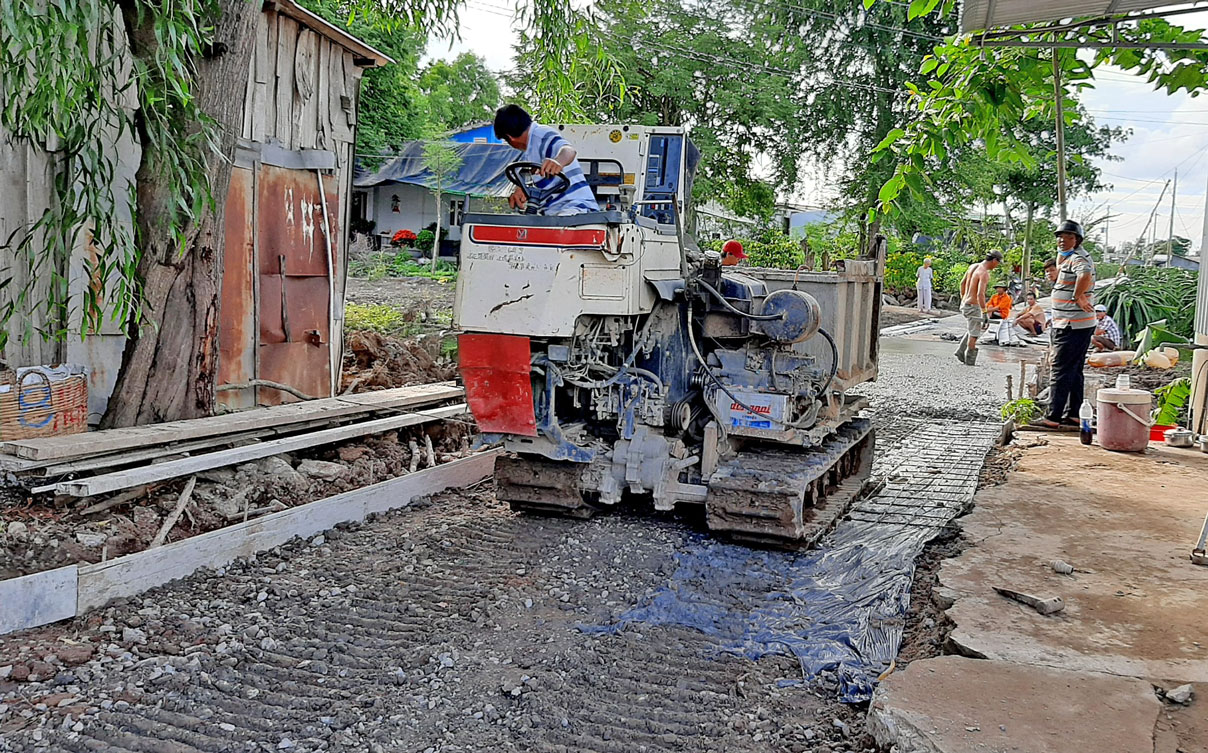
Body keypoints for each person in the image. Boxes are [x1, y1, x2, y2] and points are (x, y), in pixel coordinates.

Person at [1035, 219, 1096, 428]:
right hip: (1073, 323)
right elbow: (1062, 263)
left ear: (1077, 240)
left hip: (1072, 324)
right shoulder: (1066, 257)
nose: (1061, 240)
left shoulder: (1078, 258)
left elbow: (1085, 274)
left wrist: (1078, 296)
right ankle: (1074, 413)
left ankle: (1052, 416)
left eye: (1067, 237)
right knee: (1074, 369)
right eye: (1059, 237)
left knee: (1060, 368)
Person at [493, 104, 600, 216]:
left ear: (509, 137)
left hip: (574, 206)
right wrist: (521, 189)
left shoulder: (541, 135)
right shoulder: (528, 152)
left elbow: (569, 150)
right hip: (551, 210)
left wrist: (558, 162)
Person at [954, 250, 1003, 366]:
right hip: (973, 306)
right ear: (994, 260)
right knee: (974, 335)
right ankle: (969, 362)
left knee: (972, 328)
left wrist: (964, 299)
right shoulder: (984, 273)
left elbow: (962, 283)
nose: (997, 266)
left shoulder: (973, 266)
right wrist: (984, 312)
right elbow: (980, 294)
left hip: (965, 304)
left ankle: (960, 351)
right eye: (998, 263)